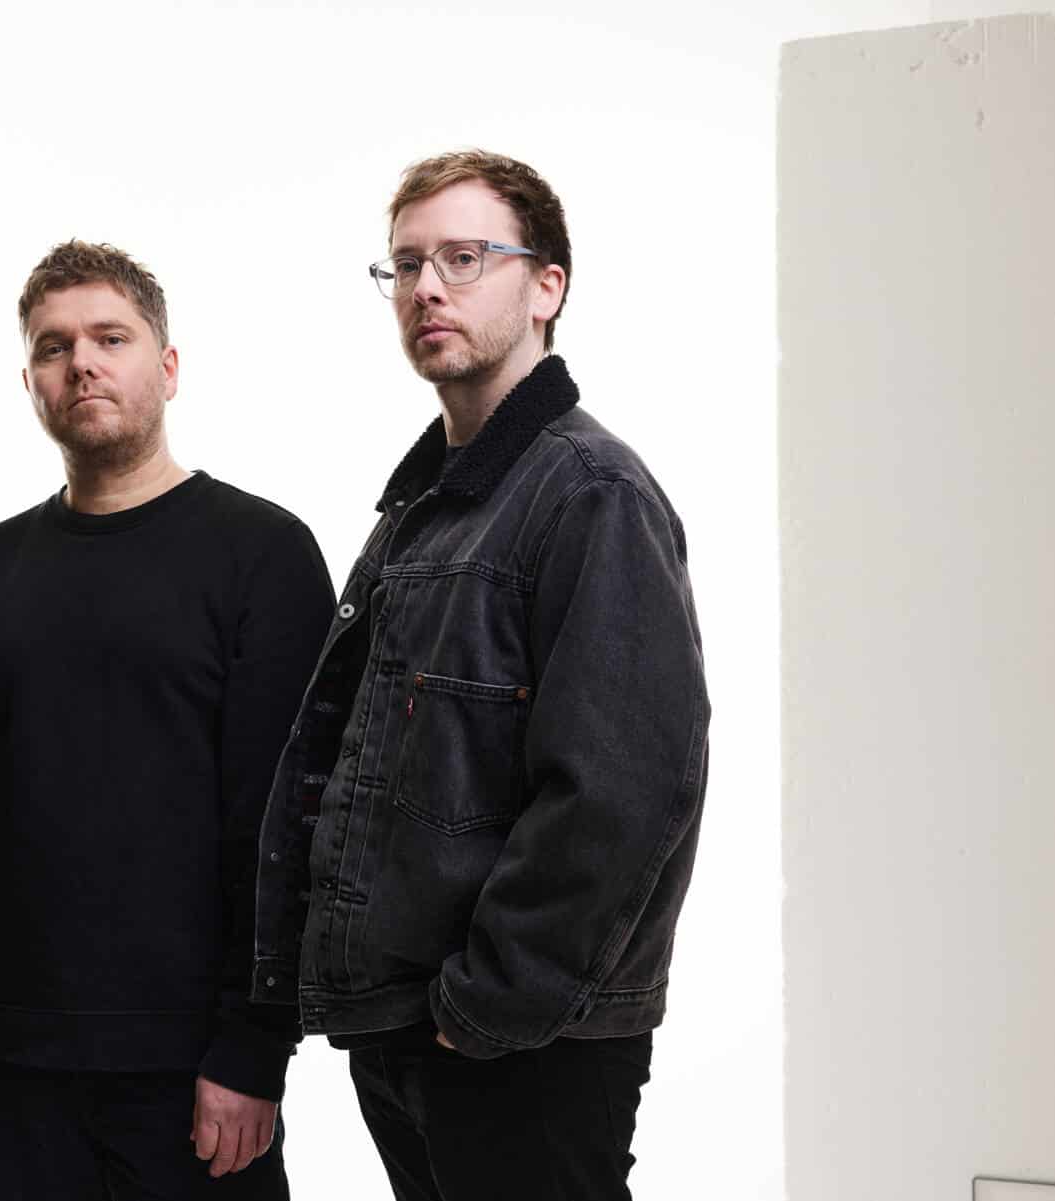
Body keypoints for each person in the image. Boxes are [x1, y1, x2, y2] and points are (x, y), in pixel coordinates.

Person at [250, 150, 711, 1200]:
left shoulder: (591, 493)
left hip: (520, 1044)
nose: (427, 288)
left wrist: (489, 1004)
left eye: (464, 257)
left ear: (547, 286)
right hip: (415, 1030)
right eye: (406, 264)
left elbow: (624, 788)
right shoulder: (427, 508)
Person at [0, 240, 331, 1200]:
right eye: (53, 347)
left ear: (168, 367)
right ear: (29, 383)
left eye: (110, 338)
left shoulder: (263, 555)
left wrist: (255, 1045)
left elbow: (287, 829)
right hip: (18, 1063)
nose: (82, 363)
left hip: (193, 1064)